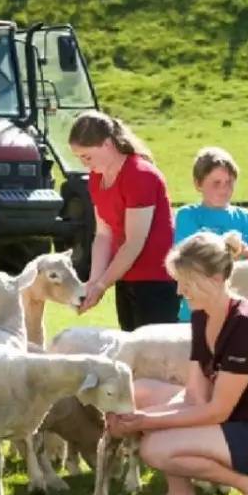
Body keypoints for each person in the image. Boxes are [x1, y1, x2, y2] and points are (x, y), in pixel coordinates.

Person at [105, 231, 248, 495]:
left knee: (155, 448)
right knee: (138, 394)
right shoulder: (202, 314)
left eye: (186, 282)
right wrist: (135, 415)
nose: (179, 292)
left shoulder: (247, 325)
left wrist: (144, 422)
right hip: (231, 420)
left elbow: (217, 411)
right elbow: (194, 396)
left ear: (214, 280)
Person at [68, 110, 178, 331]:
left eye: (87, 156)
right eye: (79, 158)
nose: (84, 164)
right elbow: (103, 234)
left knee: (153, 356)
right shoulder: (96, 178)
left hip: (157, 281)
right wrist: (93, 282)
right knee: (132, 352)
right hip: (125, 277)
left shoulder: (140, 175)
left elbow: (134, 242)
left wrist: (101, 285)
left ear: (107, 144)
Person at [173, 146, 248, 321]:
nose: (224, 189)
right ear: (198, 184)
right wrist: (238, 251)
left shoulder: (246, 219)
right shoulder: (187, 216)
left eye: (229, 182)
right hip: (197, 313)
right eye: (216, 183)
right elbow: (191, 262)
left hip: (238, 313)